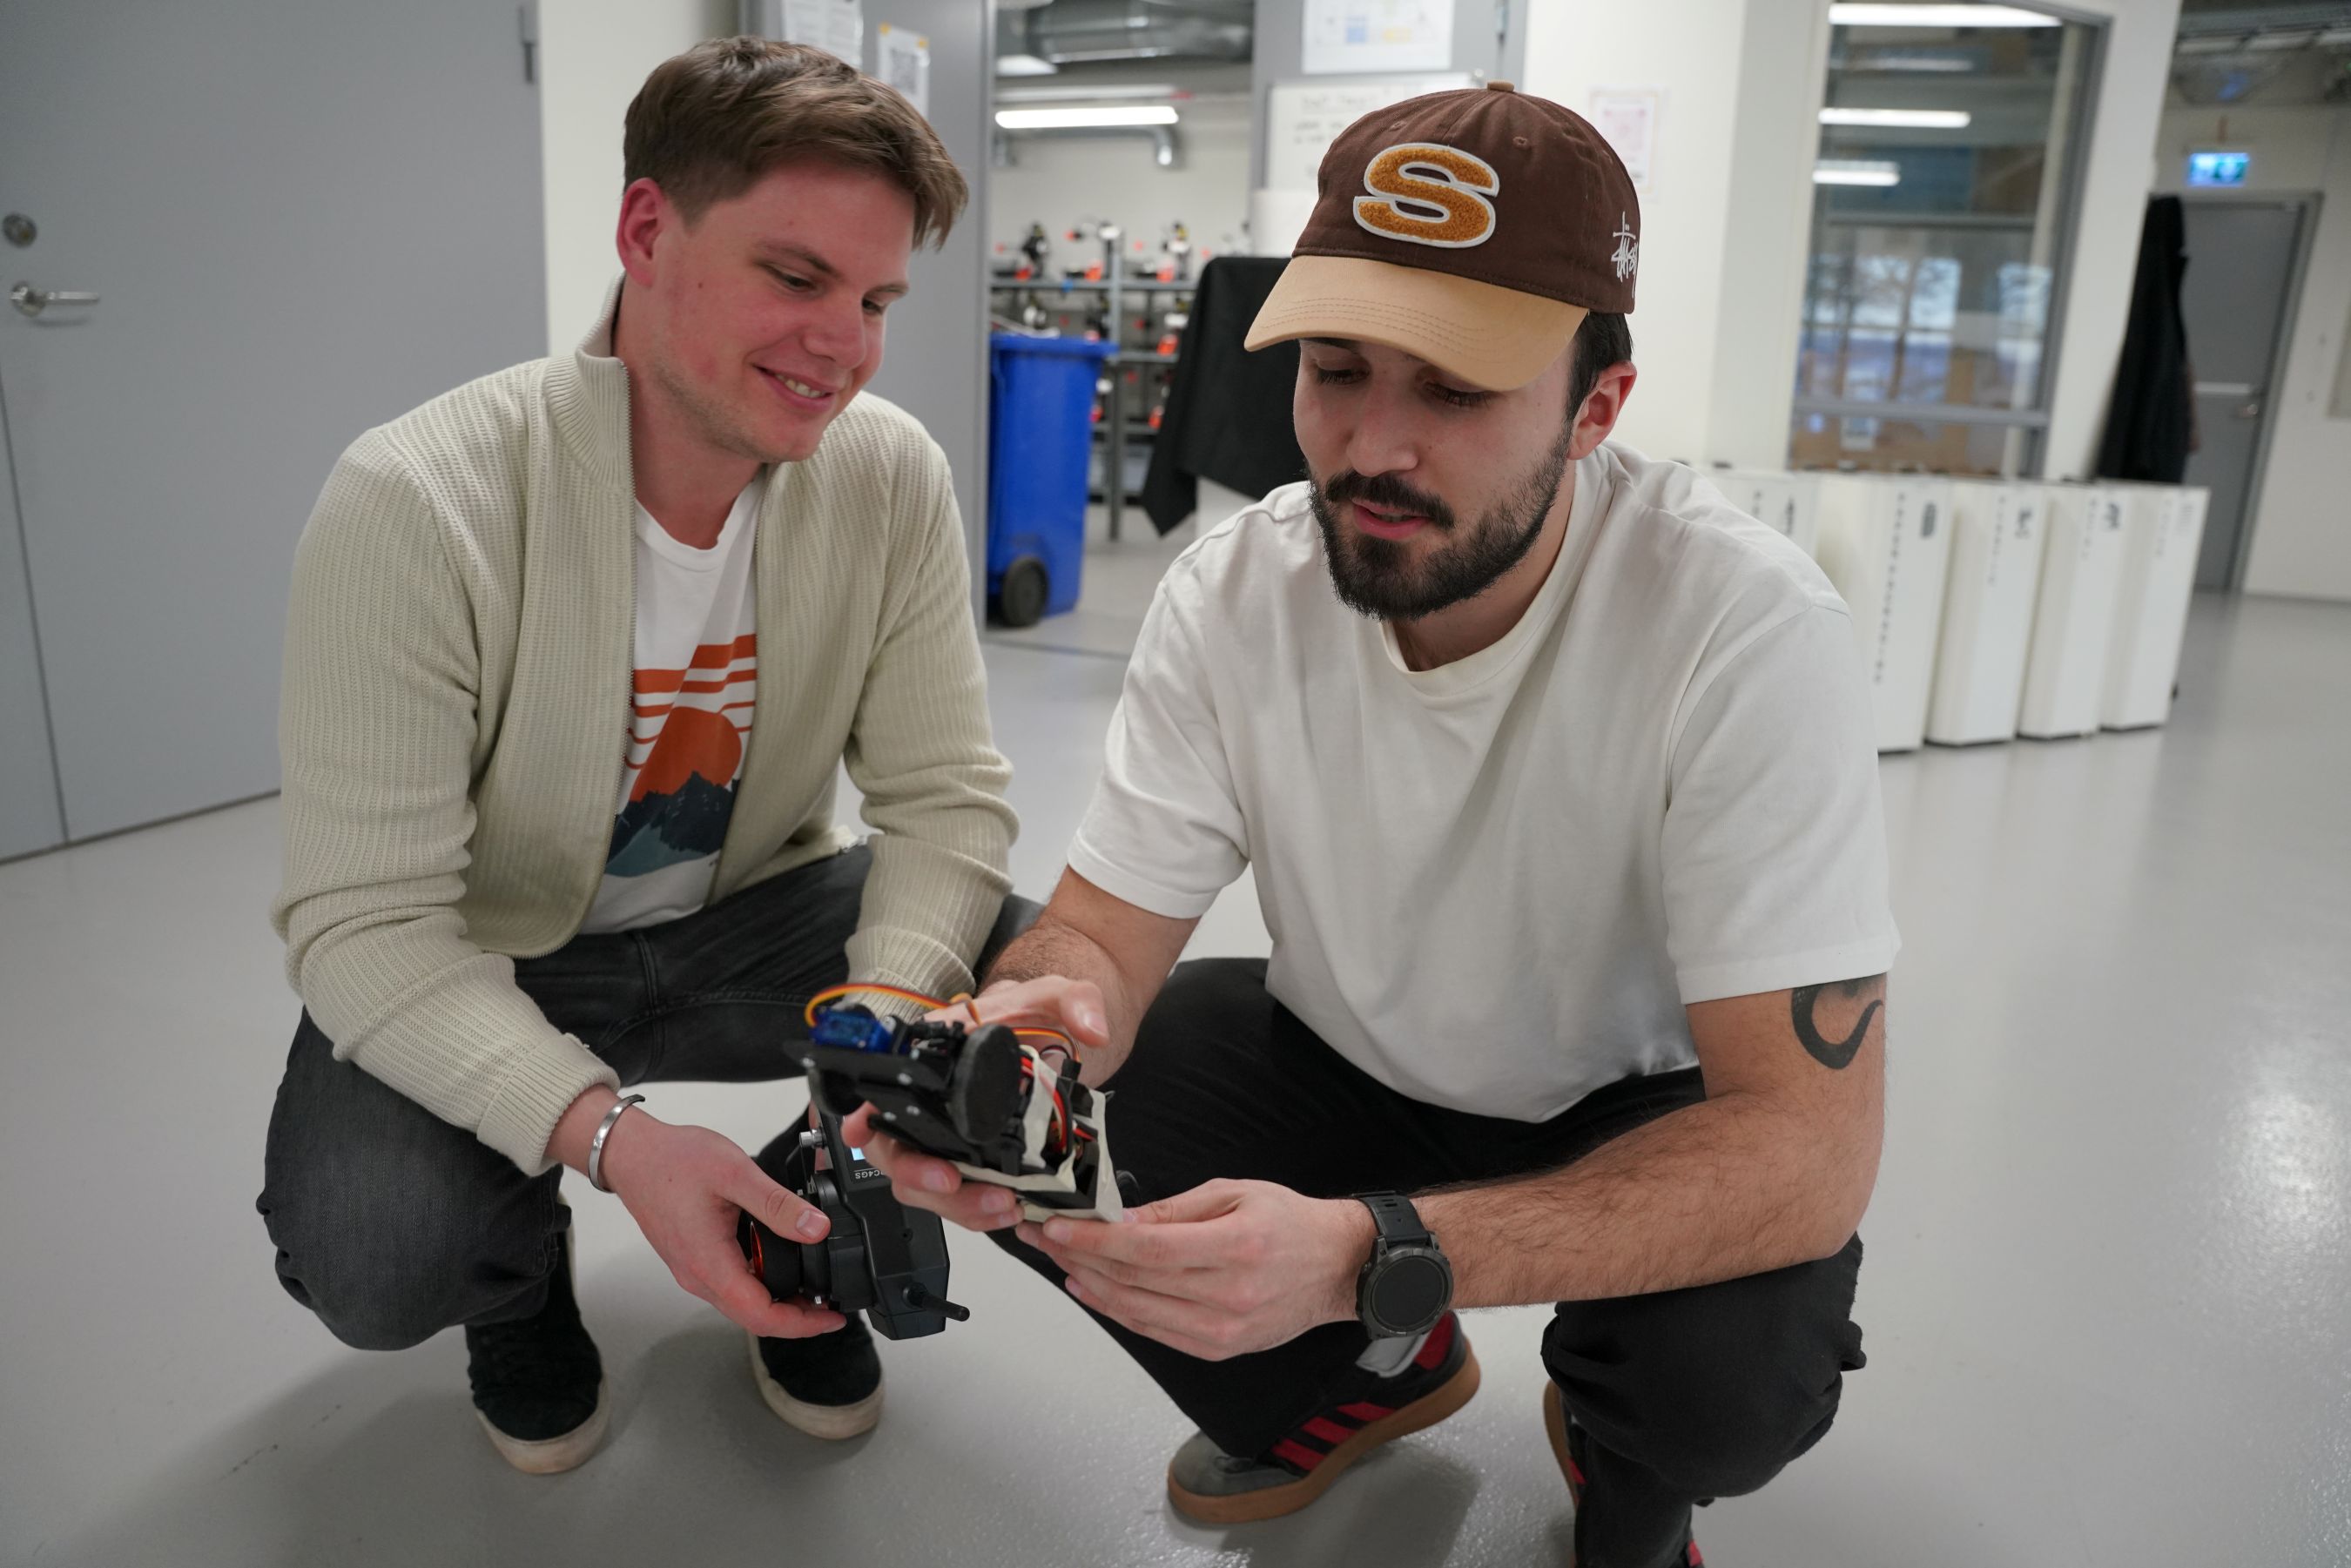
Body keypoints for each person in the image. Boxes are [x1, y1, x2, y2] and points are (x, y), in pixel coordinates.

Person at [858, 84, 1895, 1567]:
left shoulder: (1740, 628)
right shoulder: (1237, 592)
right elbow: (1100, 931)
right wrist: (1045, 1021)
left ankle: (1624, 1472)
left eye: (1457, 393)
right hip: (1347, 1063)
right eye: (1334, 369)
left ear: (1597, 408)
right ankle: (1363, 1383)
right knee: (1058, 1135)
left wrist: (1382, 1252)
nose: (1371, 446)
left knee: (1726, 1380)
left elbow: (1808, 1149)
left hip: (1632, 1100)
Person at [258, 38, 1024, 1476]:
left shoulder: (888, 472)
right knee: (375, 1251)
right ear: (646, 231)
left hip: (754, 923)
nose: (843, 344)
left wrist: (883, 1020)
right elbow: (362, 925)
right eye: (795, 279)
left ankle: (804, 1222)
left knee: (1035, 992)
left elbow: (946, 803)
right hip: (501, 949)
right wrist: (609, 1138)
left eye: (873, 300)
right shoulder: (418, 500)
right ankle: (516, 1276)